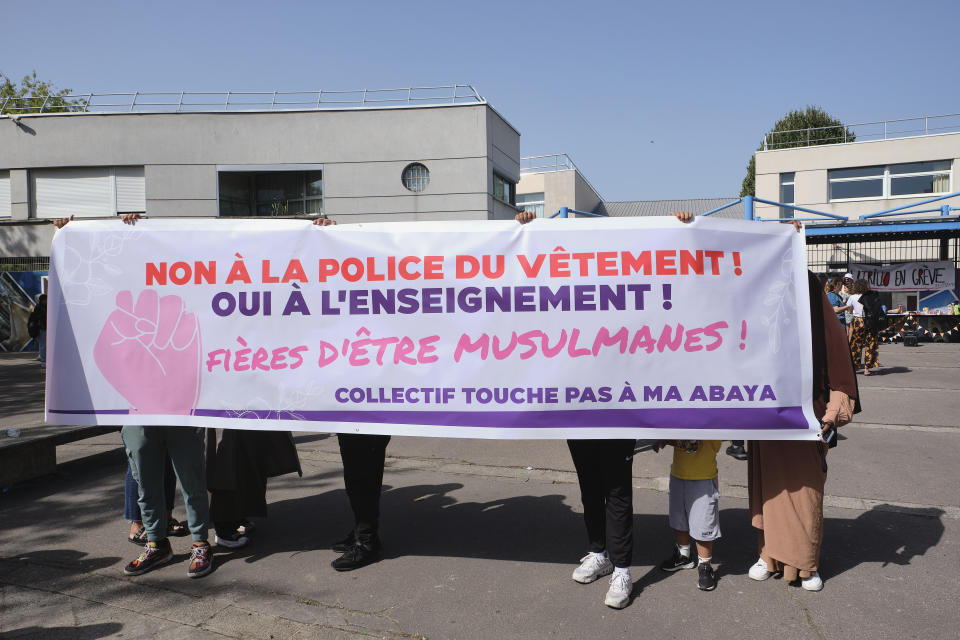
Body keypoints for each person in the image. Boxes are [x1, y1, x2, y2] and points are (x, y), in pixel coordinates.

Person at [53, 214, 214, 578]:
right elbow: (84, 281)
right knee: (144, 476)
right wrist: (68, 236)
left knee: (190, 476)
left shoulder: (181, 288)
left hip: (179, 398)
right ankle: (157, 542)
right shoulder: (122, 289)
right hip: (136, 399)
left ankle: (201, 542)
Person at [515, 209, 640, 609]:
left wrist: (679, 228)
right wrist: (528, 231)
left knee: (617, 489)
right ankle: (599, 553)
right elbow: (533, 271)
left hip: (616, 407)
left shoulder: (622, 289)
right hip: (576, 407)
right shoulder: (564, 290)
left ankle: (622, 570)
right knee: (590, 486)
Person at [747, 239, 860, 592]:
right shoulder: (761, 312)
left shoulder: (817, 310)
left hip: (807, 416)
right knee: (770, 489)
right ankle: (769, 556)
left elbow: (839, 367)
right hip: (767, 416)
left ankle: (805, 564)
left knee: (805, 491)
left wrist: (829, 416)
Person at [312, 215, 392, 572]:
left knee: (364, 470)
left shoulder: (384, 298)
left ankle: (368, 540)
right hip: (348, 399)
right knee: (354, 470)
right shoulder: (343, 300)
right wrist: (323, 236)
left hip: (374, 401)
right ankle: (361, 530)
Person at [206, 428, 302, 548]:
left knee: (249, 455)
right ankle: (223, 526)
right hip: (224, 413)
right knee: (226, 457)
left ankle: (238, 515)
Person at [655, 439, 722, 591]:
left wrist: (666, 439)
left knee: (703, 523)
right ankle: (683, 555)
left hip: (703, 476)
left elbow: (693, 444)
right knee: (679, 518)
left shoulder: (712, 418)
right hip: (679, 472)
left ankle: (705, 565)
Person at [847, 279, 879, 375]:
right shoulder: (870, 296)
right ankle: (867, 368)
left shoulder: (852, 297)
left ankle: (854, 366)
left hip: (858, 321)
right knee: (870, 344)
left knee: (856, 344)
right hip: (870, 321)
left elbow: (849, 310)